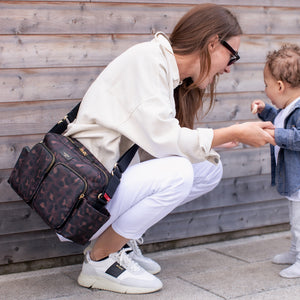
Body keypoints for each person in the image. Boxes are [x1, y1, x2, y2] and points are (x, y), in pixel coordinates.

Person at [64, 3, 275, 294]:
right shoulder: (148, 61)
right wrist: (230, 132)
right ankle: (100, 259)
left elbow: (159, 138)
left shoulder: (164, 69)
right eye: (232, 55)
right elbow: (164, 140)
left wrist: (214, 140)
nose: (229, 67)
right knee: (178, 172)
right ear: (212, 43)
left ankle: (119, 242)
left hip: (103, 185)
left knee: (207, 168)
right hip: (82, 195)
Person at [251, 44, 300, 278]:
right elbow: (279, 119)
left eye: (266, 85)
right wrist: (264, 110)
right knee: (294, 219)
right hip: (293, 178)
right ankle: (295, 251)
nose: (265, 89)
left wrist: (274, 136)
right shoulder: (287, 107)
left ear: (280, 86)